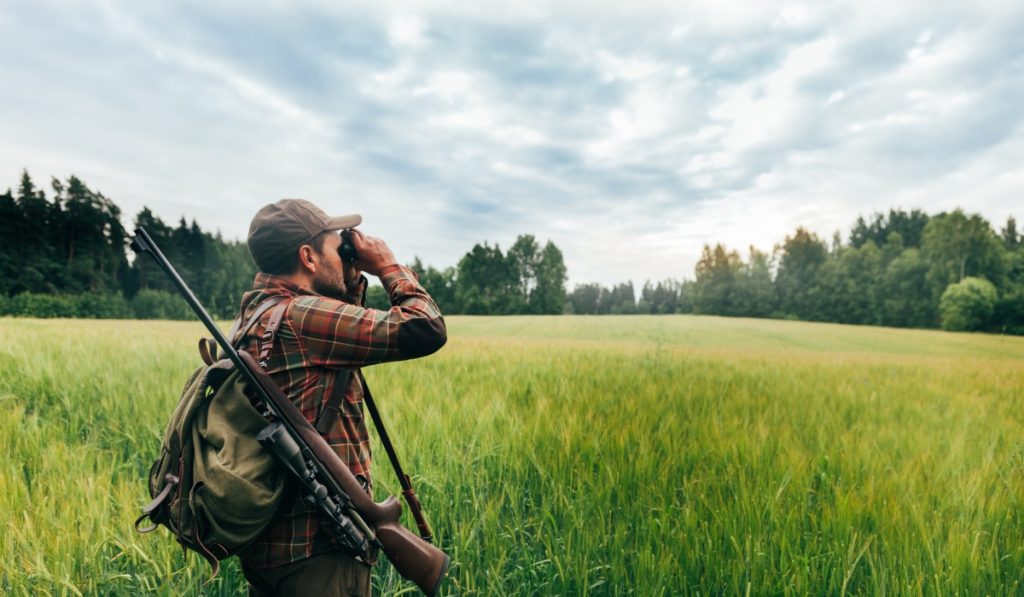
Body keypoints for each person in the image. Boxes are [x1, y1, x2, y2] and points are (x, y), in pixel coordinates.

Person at [236, 198, 447, 596]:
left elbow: (339, 344)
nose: (347, 251)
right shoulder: (304, 318)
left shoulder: (254, 316)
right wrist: (388, 266)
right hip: (321, 554)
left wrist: (348, 279)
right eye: (337, 246)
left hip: (271, 547)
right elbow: (427, 327)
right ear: (307, 257)